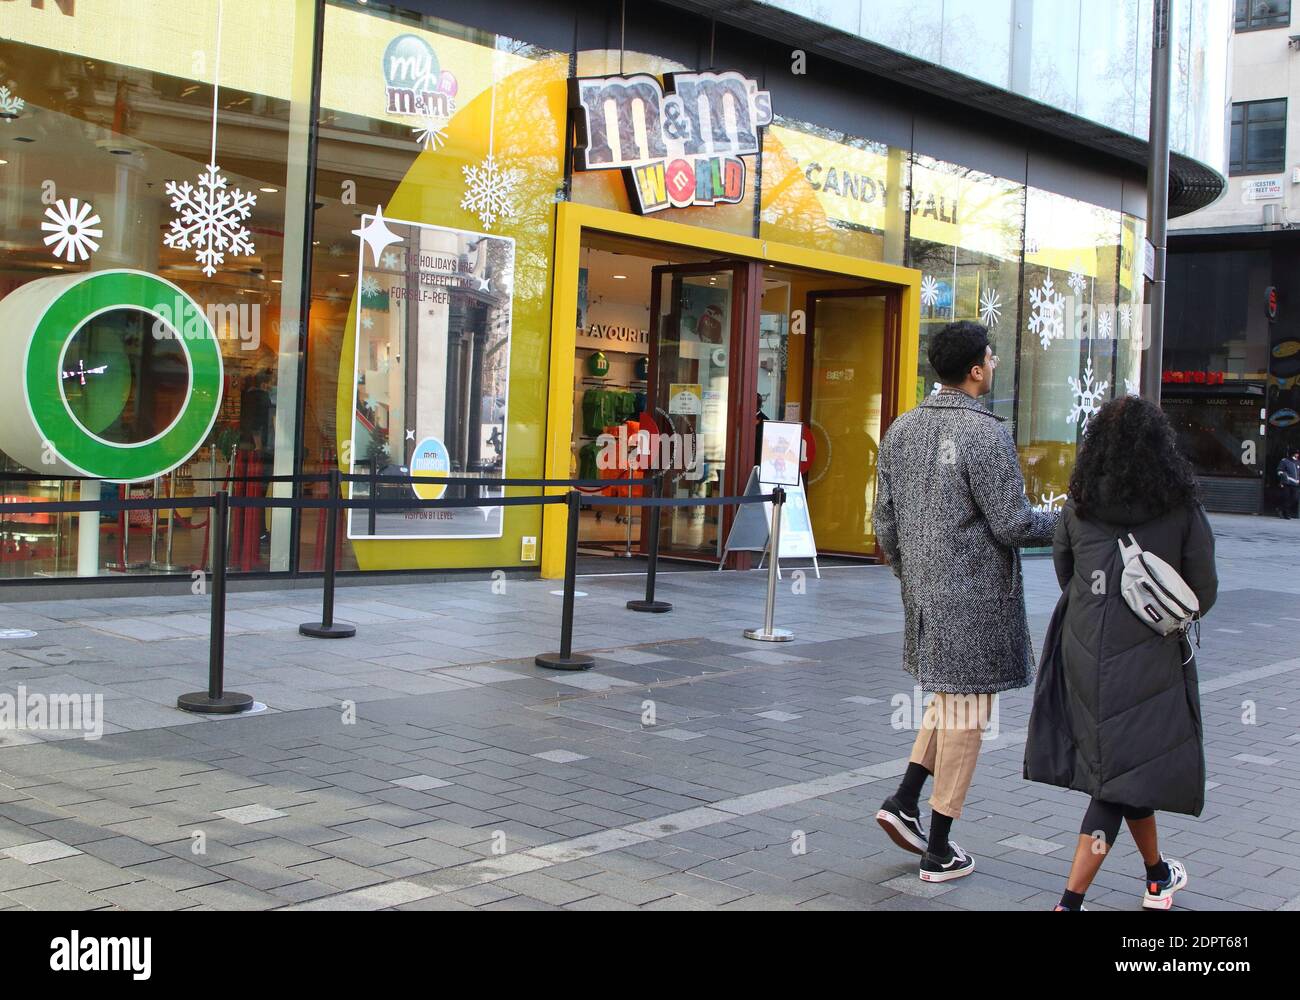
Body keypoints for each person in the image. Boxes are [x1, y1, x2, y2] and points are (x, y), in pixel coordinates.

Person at [873, 321, 1057, 883]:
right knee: (969, 716)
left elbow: (883, 523)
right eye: (991, 357)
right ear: (975, 369)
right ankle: (940, 847)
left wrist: (914, 575)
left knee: (950, 700)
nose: (995, 363)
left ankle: (903, 800)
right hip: (976, 597)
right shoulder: (986, 434)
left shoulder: (902, 428)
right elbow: (1012, 524)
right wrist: (1073, 519)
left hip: (925, 594)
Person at [1024, 396, 1217, 911]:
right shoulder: (1180, 508)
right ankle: (1069, 902)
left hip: (1082, 651)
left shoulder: (1078, 503)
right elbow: (1204, 592)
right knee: (1115, 780)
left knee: (1124, 767)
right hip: (1150, 656)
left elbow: (1066, 575)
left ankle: (1157, 875)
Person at [1278, 448, 1299, 519]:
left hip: (1295, 484)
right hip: (1286, 483)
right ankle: (1286, 514)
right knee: (1286, 498)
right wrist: (1284, 477)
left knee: (1295, 498)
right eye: (1296, 453)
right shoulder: (1285, 461)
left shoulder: (1298, 462)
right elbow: (1279, 471)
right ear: (1293, 454)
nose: (1297, 454)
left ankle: (1281, 509)